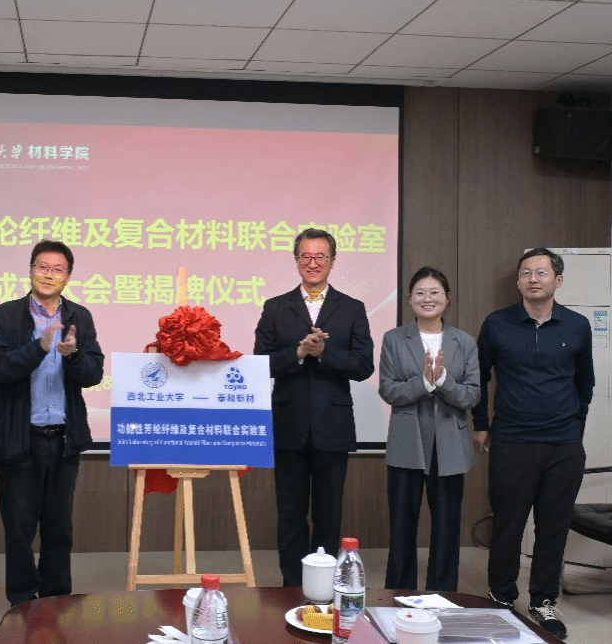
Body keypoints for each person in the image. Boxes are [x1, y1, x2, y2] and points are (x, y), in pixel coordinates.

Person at [472, 247, 594, 640]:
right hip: (512, 439)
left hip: (563, 445)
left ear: (558, 280)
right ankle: (501, 597)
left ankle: (543, 601)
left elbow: (585, 383)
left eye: (541, 272)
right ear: (518, 281)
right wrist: (480, 425)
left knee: (553, 527)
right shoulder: (497, 323)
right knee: (507, 525)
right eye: (526, 273)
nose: (533, 279)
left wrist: (573, 429)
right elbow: (479, 377)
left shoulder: (577, 325)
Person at [0, 240, 104, 606]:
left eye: (57, 269)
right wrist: (37, 348)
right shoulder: (5, 315)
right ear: (31, 270)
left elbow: (93, 374)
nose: (49, 275)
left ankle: (55, 601)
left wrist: (74, 354)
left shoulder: (80, 317)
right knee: (20, 530)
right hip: (19, 439)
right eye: (42, 267)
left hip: (63, 439)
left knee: (59, 527)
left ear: (68, 276)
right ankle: (22, 603)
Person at [253, 227, 374, 587]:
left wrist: (324, 353)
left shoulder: (351, 308)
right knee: (290, 514)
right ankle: (292, 587)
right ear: (296, 261)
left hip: (332, 427)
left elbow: (364, 365)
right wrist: (298, 352)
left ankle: (322, 587)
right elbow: (260, 364)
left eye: (321, 256)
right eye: (306, 256)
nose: (313, 262)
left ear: (332, 261)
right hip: (288, 424)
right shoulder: (276, 307)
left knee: (328, 515)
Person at [379, 267, 480, 591]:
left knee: (447, 527)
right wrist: (423, 382)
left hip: (450, 443)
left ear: (447, 298)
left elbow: (472, 395)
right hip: (407, 442)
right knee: (402, 526)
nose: (427, 299)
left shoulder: (465, 342)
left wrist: (443, 381)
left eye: (435, 292)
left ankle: (443, 593)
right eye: (420, 293)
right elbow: (388, 390)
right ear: (410, 299)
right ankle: (399, 593)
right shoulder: (394, 339)